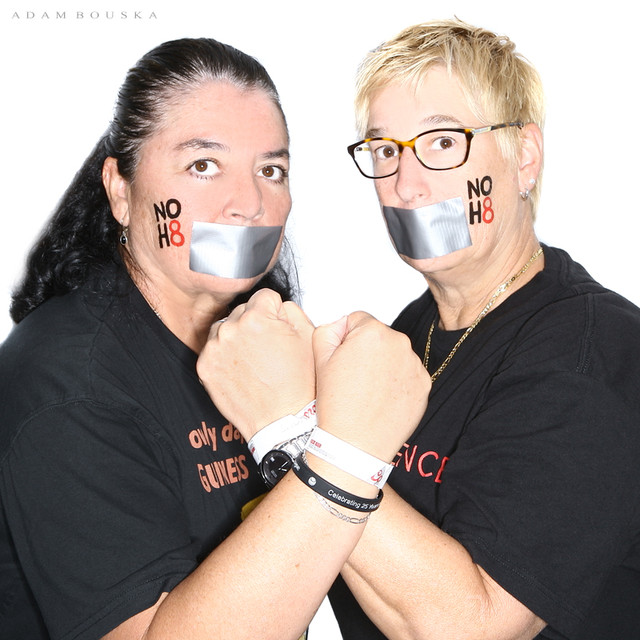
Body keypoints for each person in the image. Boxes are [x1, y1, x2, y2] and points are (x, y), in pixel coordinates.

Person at [196, 18, 640, 640]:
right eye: (385, 151)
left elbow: (475, 627)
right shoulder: (409, 335)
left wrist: (291, 427)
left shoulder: (593, 352)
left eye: (443, 142)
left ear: (524, 157)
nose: (407, 185)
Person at [0, 38, 430, 639]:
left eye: (271, 171)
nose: (249, 204)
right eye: (203, 165)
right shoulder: (70, 382)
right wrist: (347, 451)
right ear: (121, 191)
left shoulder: (261, 350)